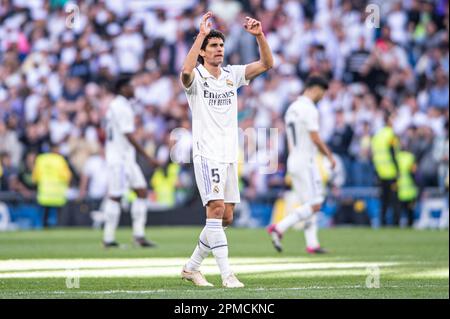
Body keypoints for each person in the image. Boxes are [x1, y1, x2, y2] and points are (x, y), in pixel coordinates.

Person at [179, 12, 273, 288]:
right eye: (214, 46)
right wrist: (200, 34)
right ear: (203, 52)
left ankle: (191, 267)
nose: (219, 49)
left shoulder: (232, 75)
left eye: (221, 45)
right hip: (207, 152)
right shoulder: (195, 78)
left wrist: (259, 36)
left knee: (226, 217)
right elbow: (184, 72)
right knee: (216, 210)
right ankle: (227, 274)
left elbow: (268, 63)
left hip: (230, 153)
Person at [267, 76, 336, 253]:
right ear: (315, 89)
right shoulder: (309, 109)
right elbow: (315, 137)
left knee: (308, 203)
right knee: (316, 203)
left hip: (294, 159)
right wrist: (329, 156)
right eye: (322, 92)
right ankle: (280, 227)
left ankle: (312, 244)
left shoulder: (292, 108)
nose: (322, 96)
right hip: (306, 160)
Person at [102, 76, 157, 248]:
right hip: (118, 158)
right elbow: (128, 134)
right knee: (115, 196)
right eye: (131, 86)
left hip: (126, 157)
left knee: (141, 191)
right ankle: (108, 238)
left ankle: (138, 236)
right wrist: (147, 156)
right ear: (123, 88)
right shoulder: (120, 107)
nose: (134, 89)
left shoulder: (119, 105)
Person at [32, 143, 72, 228]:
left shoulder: (41, 159)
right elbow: (67, 175)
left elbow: (35, 176)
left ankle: (43, 227)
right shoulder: (60, 159)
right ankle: (58, 227)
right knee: (58, 214)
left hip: (44, 191)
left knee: (44, 213)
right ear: (55, 149)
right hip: (57, 192)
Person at [371, 113, 401, 226]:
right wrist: (397, 170)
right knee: (394, 200)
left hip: (380, 172)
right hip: (391, 172)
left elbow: (374, 154)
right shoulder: (390, 135)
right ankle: (395, 223)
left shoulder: (378, 135)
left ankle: (382, 222)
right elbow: (392, 152)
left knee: (383, 200)